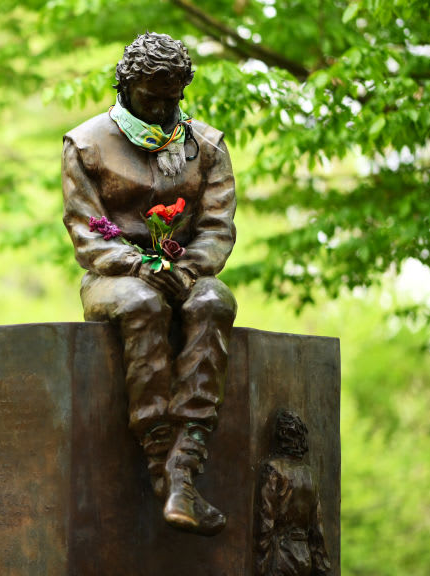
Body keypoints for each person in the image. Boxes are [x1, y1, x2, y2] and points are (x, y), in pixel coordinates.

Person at [61, 32, 237, 535]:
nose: (161, 109)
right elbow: (84, 230)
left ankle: (187, 463)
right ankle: (160, 458)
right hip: (115, 277)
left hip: (186, 274)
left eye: (171, 99)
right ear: (126, 86)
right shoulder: (86, 143)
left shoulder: (207, 146)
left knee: (214, 302)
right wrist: (139, 266)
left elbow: (217, 228)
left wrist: (189, 268)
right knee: (142, 304)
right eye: (150, 97)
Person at [255, 411, 332, 575]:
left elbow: (266, 521)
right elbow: (316, 526)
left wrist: (261, 563)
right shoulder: (309, 475)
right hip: (304, 556)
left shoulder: (273, 469)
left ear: (281, 435)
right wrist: (321, 564)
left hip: (281, 555)